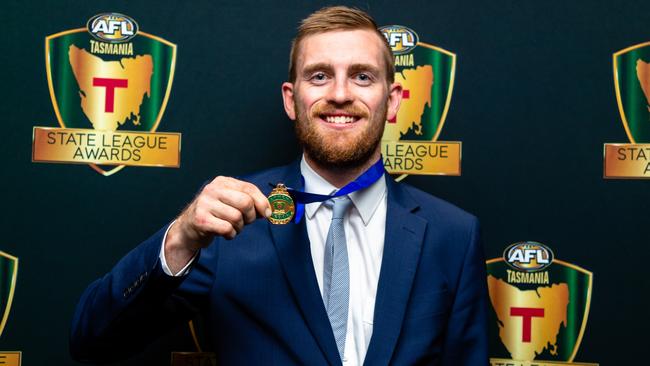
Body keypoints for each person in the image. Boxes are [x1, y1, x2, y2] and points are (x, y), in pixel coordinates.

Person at [70, 6, 488, 365]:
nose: (340, 94)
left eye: (362, 76)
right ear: (291, 99)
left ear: (393, 100)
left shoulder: (452, 235)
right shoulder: (230, 221)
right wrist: (180, 238)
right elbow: (93, 341)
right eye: (320, 75)